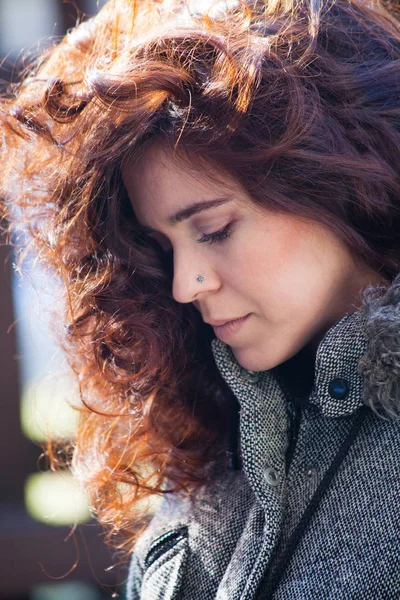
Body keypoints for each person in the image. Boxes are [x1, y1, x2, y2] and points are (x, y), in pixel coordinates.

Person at [1, 0, 400, 597]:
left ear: (344, 185)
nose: (184, 285)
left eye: (214, 230)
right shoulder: (216, 438)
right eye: (162, 247)